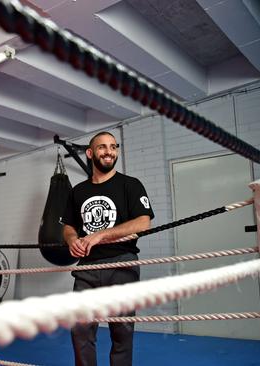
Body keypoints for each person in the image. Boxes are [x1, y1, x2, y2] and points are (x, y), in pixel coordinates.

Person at [62, 131, 154, 366]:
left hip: (122, 264)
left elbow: (143, 222)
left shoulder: (130, 185)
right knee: (80, 331)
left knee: (121, 333)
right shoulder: (78, 191)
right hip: (87, 268)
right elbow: (69, 226)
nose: (109, 152)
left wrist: (99, 235)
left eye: (113, 147)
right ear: (91, 153)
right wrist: (72, 239)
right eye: (102, 147)